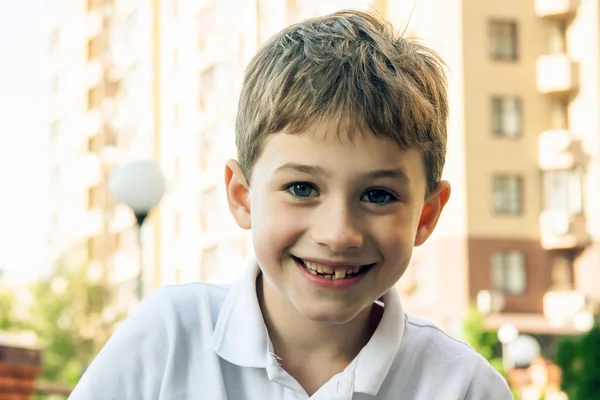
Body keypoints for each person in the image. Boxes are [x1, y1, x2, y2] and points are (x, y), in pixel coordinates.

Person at [69, 9, 513, 399]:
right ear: (242, 196)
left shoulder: (465, 387)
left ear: (427, 214)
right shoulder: (167, 339)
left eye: (378, 195)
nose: (338, 233)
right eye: (302, 188)